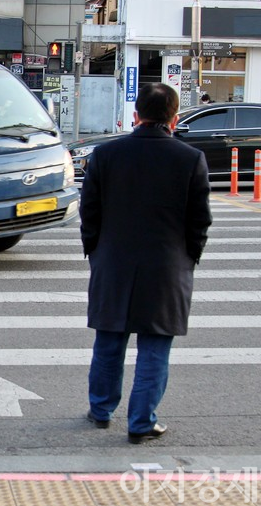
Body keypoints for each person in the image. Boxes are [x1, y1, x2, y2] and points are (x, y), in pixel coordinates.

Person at [79, 83, 213, 444]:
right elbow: (199, 220)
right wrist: (189, 257)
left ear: (136, 115)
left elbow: (89, 212)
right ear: (175, 118)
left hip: (113, 261)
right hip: (167, 266)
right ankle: (141, 422)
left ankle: (101, 410)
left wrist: (95, 251)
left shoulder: (105, 155)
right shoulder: (189, 159)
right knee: (155, 344)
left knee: (109, 339)